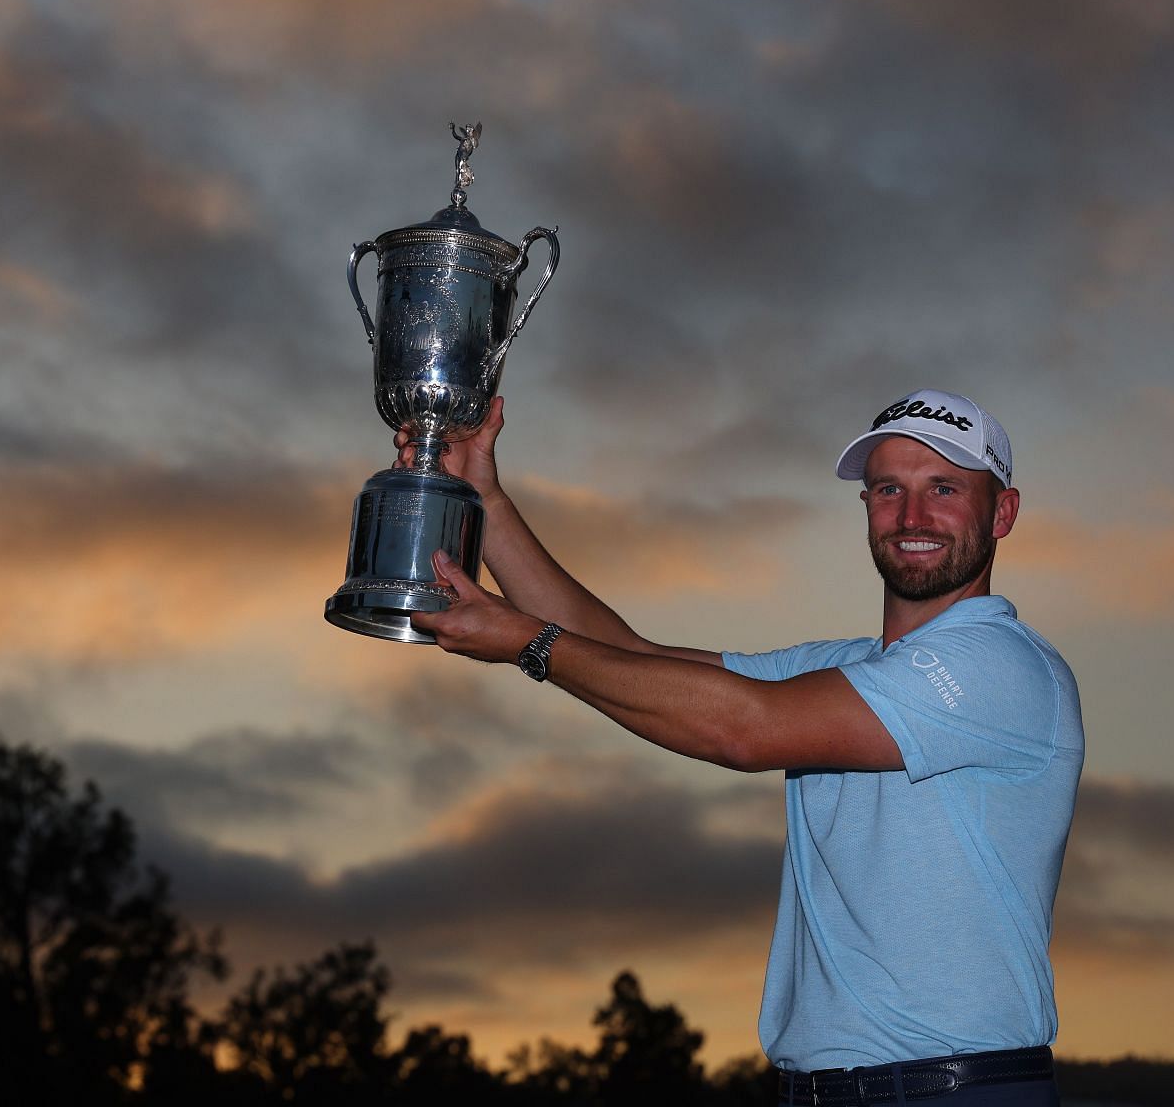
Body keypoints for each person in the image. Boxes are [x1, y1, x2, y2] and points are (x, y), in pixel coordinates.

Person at [406, 388, 1084, 1107]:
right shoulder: (850, 671)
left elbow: (745, 729)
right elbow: (626, 655)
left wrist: (528, 645)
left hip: (957, 1091)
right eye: (889, 489)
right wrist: (486, 499)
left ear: (1002, 513)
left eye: (943, 488)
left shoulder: (1002, 667)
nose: (912, 516)